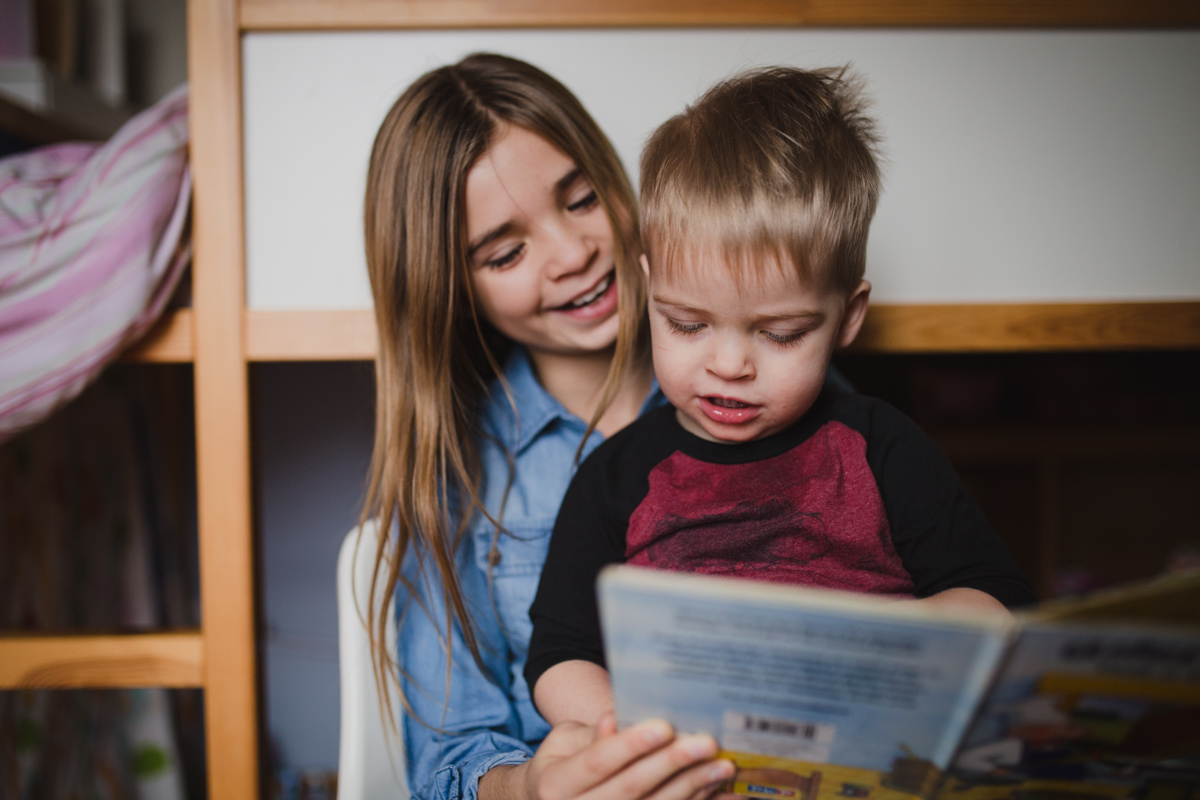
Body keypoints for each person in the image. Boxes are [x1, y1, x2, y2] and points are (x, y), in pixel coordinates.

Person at [524, 66, 1037, 727]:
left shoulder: (881, 448)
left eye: (781, 333)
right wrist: (623, 729)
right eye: (687, 323)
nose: (730, 365)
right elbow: (560, 655)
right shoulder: (614, 479)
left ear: (848, 316)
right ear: (649, 292)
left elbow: (999, 601)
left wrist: (891, 645)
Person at [359, 53, 738, 800]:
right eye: (506, 252)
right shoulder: (457, 478)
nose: (573, 253)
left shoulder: (768, 385)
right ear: (453, 289)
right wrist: (532, 786)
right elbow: (448, 760)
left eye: (584, 199)